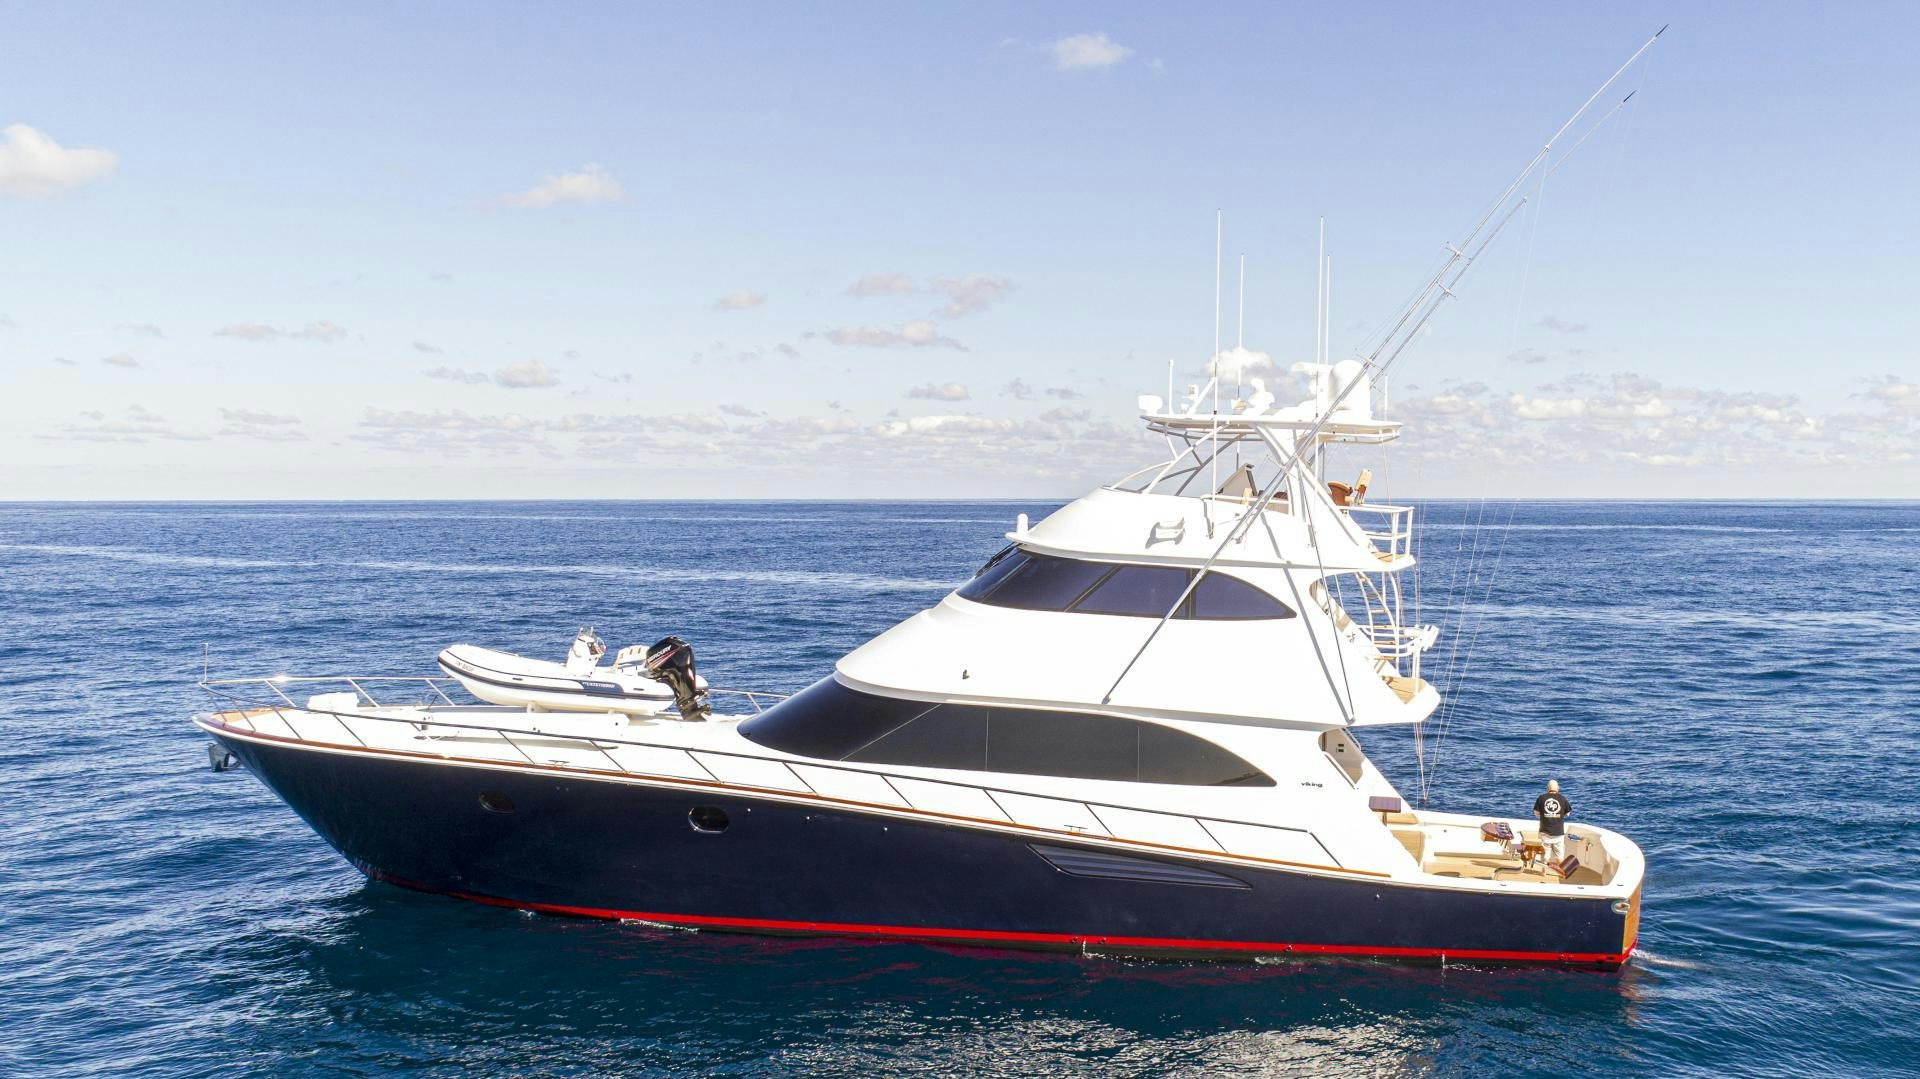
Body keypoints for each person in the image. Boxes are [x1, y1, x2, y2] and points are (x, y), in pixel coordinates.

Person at [1532, 779, 1571, 870]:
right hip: (1558, 833)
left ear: (1548, 788)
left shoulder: (1541, 798)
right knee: (1559, 855)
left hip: (1545, 831)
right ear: (1558, 788)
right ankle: (1562, 872)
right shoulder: (1562, 798)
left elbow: (1536, 813)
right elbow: (1568, 813)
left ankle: (1543, 872)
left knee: (1545, 854)